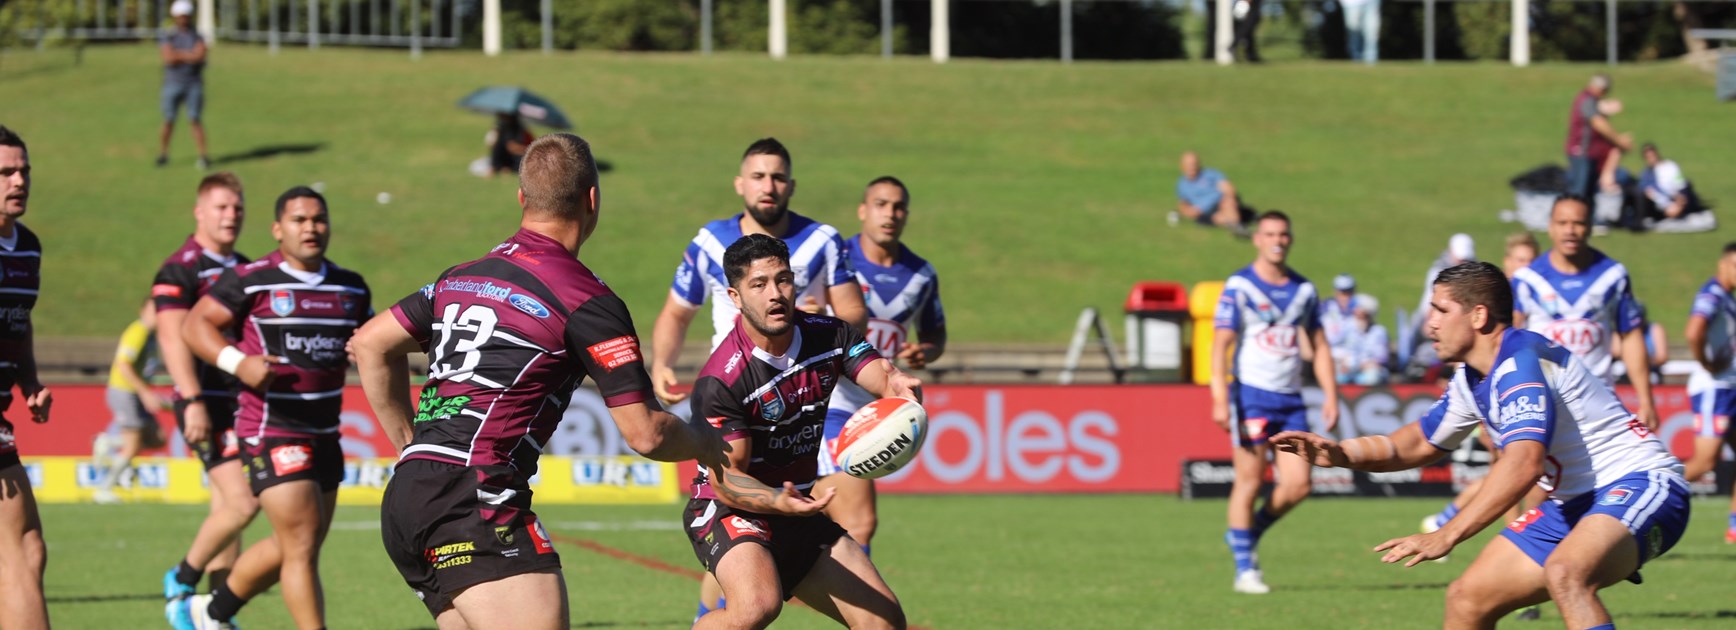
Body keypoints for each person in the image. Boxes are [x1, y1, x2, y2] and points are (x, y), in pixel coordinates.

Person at [352, 133, 723, 629]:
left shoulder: (460, 277)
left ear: (521, 197)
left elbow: (370, 343)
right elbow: (646, 433)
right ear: (593, 199)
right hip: (475, 494)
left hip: (409, 494)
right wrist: (708, 443)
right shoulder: (587, 300)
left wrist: (409, 446)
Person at [1272, 261, 1689, 629]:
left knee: (1566, 573)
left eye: (1440, 310)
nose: (1429, 323)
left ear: (1478, 315)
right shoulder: (1471, 380)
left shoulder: (1519, 363)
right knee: (1467, 600)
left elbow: (1523, 464)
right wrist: (1342, 454)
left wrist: (1448, 534)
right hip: (1575, 504)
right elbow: (1417, 442)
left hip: (1642, 483)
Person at [649, 137, 867, 620]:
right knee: (735, 522)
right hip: (734, 399)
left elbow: (853, 315)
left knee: (854, 515)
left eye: (778, 177)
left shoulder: (824, 239)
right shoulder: (710, 242)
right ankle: (717, 617)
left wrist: (817, 317)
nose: (768, 186)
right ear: (740, 184)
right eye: (758, 176)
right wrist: (662, 362)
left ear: (791, 185)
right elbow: (677, 311)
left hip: (808, 394)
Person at [684, 233, 920, 630]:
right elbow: (728, 481)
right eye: (759, 284)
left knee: (883, 621)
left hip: (795, 508)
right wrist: (778, 501)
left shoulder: (830, 335)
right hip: (728, 510)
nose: (775, 294)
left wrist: (898, 385)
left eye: (783, 280)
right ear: (735, 297)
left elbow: (881, 376)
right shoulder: (721, 380)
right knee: (756, 607)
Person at [175, 186, 370, 630]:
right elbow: (194, 325)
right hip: (272, 428)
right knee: (300, 544)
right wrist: (237, 362)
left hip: (326, 432)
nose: (311, 228)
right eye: (299, 220)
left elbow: (369, 340)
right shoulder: (252, 279)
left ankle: (210, 612)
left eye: (318, 219)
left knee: (298, 544)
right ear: (278, 229)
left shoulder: (351, 286)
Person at [813, 176, 946, 555]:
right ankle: (859, 600)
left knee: (819, 520)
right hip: (829, 402)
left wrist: (925, 353)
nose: (890, 214)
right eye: (881, 204)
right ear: (863, 210)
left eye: (899, 207)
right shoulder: (836, 260)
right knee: (859, 520)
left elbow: (935, 336)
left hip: (879, 407)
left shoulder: (921, 275)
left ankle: (735, 585)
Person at [1210, 210, 1339, 594]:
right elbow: (1220, 344)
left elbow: (1319, 345)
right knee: (1250, 480)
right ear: (1257, 239)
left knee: (1299, 485)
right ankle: (1245, 569)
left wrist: (1331, 394)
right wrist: (1219, 397)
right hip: (1251, 395)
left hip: (1291, 399)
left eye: (1283, 234)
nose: (1277, 241)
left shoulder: (1304, 290)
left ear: (1290, 239)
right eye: (1269, 234)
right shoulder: (1240, 286)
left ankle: (1246, 534)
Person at [154, 172, 256, 621]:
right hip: (206, 401)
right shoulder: (181, 268)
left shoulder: (247, 268)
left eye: (237, 207)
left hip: (241, 401)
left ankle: (213, 615)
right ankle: (181, 577)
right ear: (199, 212)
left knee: (226, 510)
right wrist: (192, 398)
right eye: (221, 207)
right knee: (244, 501)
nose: (231, 215)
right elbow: (171, 336)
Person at [1512, 195, 1659, 430]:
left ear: (1590, 226)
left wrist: (1646, 400)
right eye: (1562, 223)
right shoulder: (1527, 280)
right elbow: (1507, 341)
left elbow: (1631, 337)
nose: (1570, 231)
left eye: (1578, 223)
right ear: (1550, 227)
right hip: (1542, 403)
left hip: (1598, 404)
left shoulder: (1613, 276)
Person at [0, 125, 52, 630]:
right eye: (5, 172)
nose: (19, 181)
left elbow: (19, 321)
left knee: (27, 551)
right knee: (20, 553)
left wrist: (29, 381)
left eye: (24, 171)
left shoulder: (27, 247)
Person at [1681, 243, 1736, 545]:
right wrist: (1705, 362)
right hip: (1715, 388)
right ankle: (1645, 499)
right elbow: (1694, 331)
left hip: (1729, 387)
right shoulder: (1712, 294)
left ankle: (1734, 529)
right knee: (1704, 462)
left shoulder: (1728, 298)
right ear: (1723, 264)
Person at [92, 299, 168, 505]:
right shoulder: (138, 331)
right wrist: (145, 393)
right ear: (142, 311)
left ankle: (108, 443)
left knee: (158, 438)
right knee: (133, 445)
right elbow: (124, 365)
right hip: (124, 392)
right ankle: (104, 489)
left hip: (135, 393)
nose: (157, 315)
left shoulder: (152, 335)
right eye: (153, 310)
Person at [157, 0, 210, 170]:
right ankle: (163, 154)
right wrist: (189, 55)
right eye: (180, 16)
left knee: (195, 119)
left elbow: (200, 55)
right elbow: (168, 58)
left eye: (186, 16)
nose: (183, 19)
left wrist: (178, 54)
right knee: (168, 120)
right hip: (172, 83)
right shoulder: (169, 35)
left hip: (193, 83)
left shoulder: (198, 35)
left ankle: (203, 156)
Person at [1564, 74, 1633, 199]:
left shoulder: (1590, 100)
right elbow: (1598, 122)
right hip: (1581, 152)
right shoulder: (1588, 100)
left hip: (1589, 153)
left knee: (1588, 194)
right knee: (1580, 193)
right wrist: (1619, 140)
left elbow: (1602, 110)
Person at [1172, 151, 1248, 232]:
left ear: (1199, 164)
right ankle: (1236, 224)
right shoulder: (1182, 185)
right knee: (1214, 217)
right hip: (1205, 213)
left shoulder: (1210, 174)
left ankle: (1237, 226)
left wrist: (1228, 199)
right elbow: (1183, 204)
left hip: (1221, 203)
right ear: (1182, 166)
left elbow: (1229, 189)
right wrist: (1189, 212)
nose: (1192, 167)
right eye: (1188, 165)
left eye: (1194, 164)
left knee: (1228, 202)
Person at [1638, 143, 1705, 221]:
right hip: (1662, 203)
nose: (1651, 159)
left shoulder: (1671, 166)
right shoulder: (1646, 175)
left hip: (1677, 196)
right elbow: (1651, 193)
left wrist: (1679, 198)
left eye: (1652, 156)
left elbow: (1680, 184)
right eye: (1648, 157)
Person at [1333, 298, 1388, 386]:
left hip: (1368, 372)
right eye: (1357, 312)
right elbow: (1333, 347)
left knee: (1372, 377)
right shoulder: (1347, 326)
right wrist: (1342, 361)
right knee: (1335, 377)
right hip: (1346, 370)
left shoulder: (1379, 332)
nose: (1358, 315)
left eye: (1363, 314)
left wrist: (1359, 366)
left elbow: (1381, 359)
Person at [1319, 273, 1361, 353]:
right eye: (1342, 293)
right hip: (1329, 351)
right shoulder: (1325, 307)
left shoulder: (1360, 309)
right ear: (1336, 292)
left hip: (1352, 353)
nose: (1346, 297)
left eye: (1349, 292)